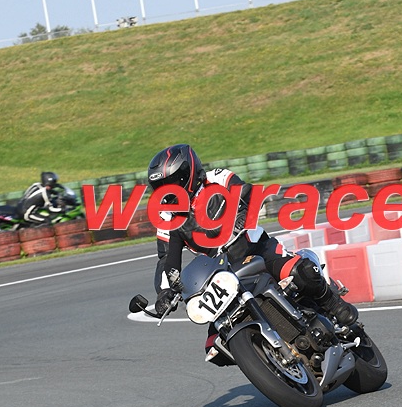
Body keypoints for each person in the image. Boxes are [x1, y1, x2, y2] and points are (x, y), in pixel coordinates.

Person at [146, 144, 359, 363]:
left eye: (171, 183)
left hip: (257, 248)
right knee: (215, 346)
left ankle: (332, 303)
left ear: (188, 174)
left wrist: (243, 214)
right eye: (160, 187)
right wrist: (164, 292)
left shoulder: (218, 178)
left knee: (300, 271)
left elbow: (249, 193)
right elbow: (166, 259)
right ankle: (269, 358)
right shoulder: (167, 216)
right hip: (221, 271)